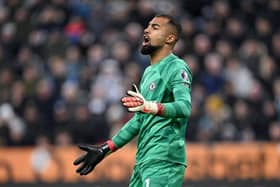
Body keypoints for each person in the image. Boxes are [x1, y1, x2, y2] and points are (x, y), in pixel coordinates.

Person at [73, 14, 192, 187]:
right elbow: (139, 120)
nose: (146, 29)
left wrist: (150, 106)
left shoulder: (177, 67)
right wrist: (106, 148)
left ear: (170, 38)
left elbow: (184, 107)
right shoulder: (148, 72)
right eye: (148, 25)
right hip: (143, 160)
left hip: (164, 159)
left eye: (155, 27)